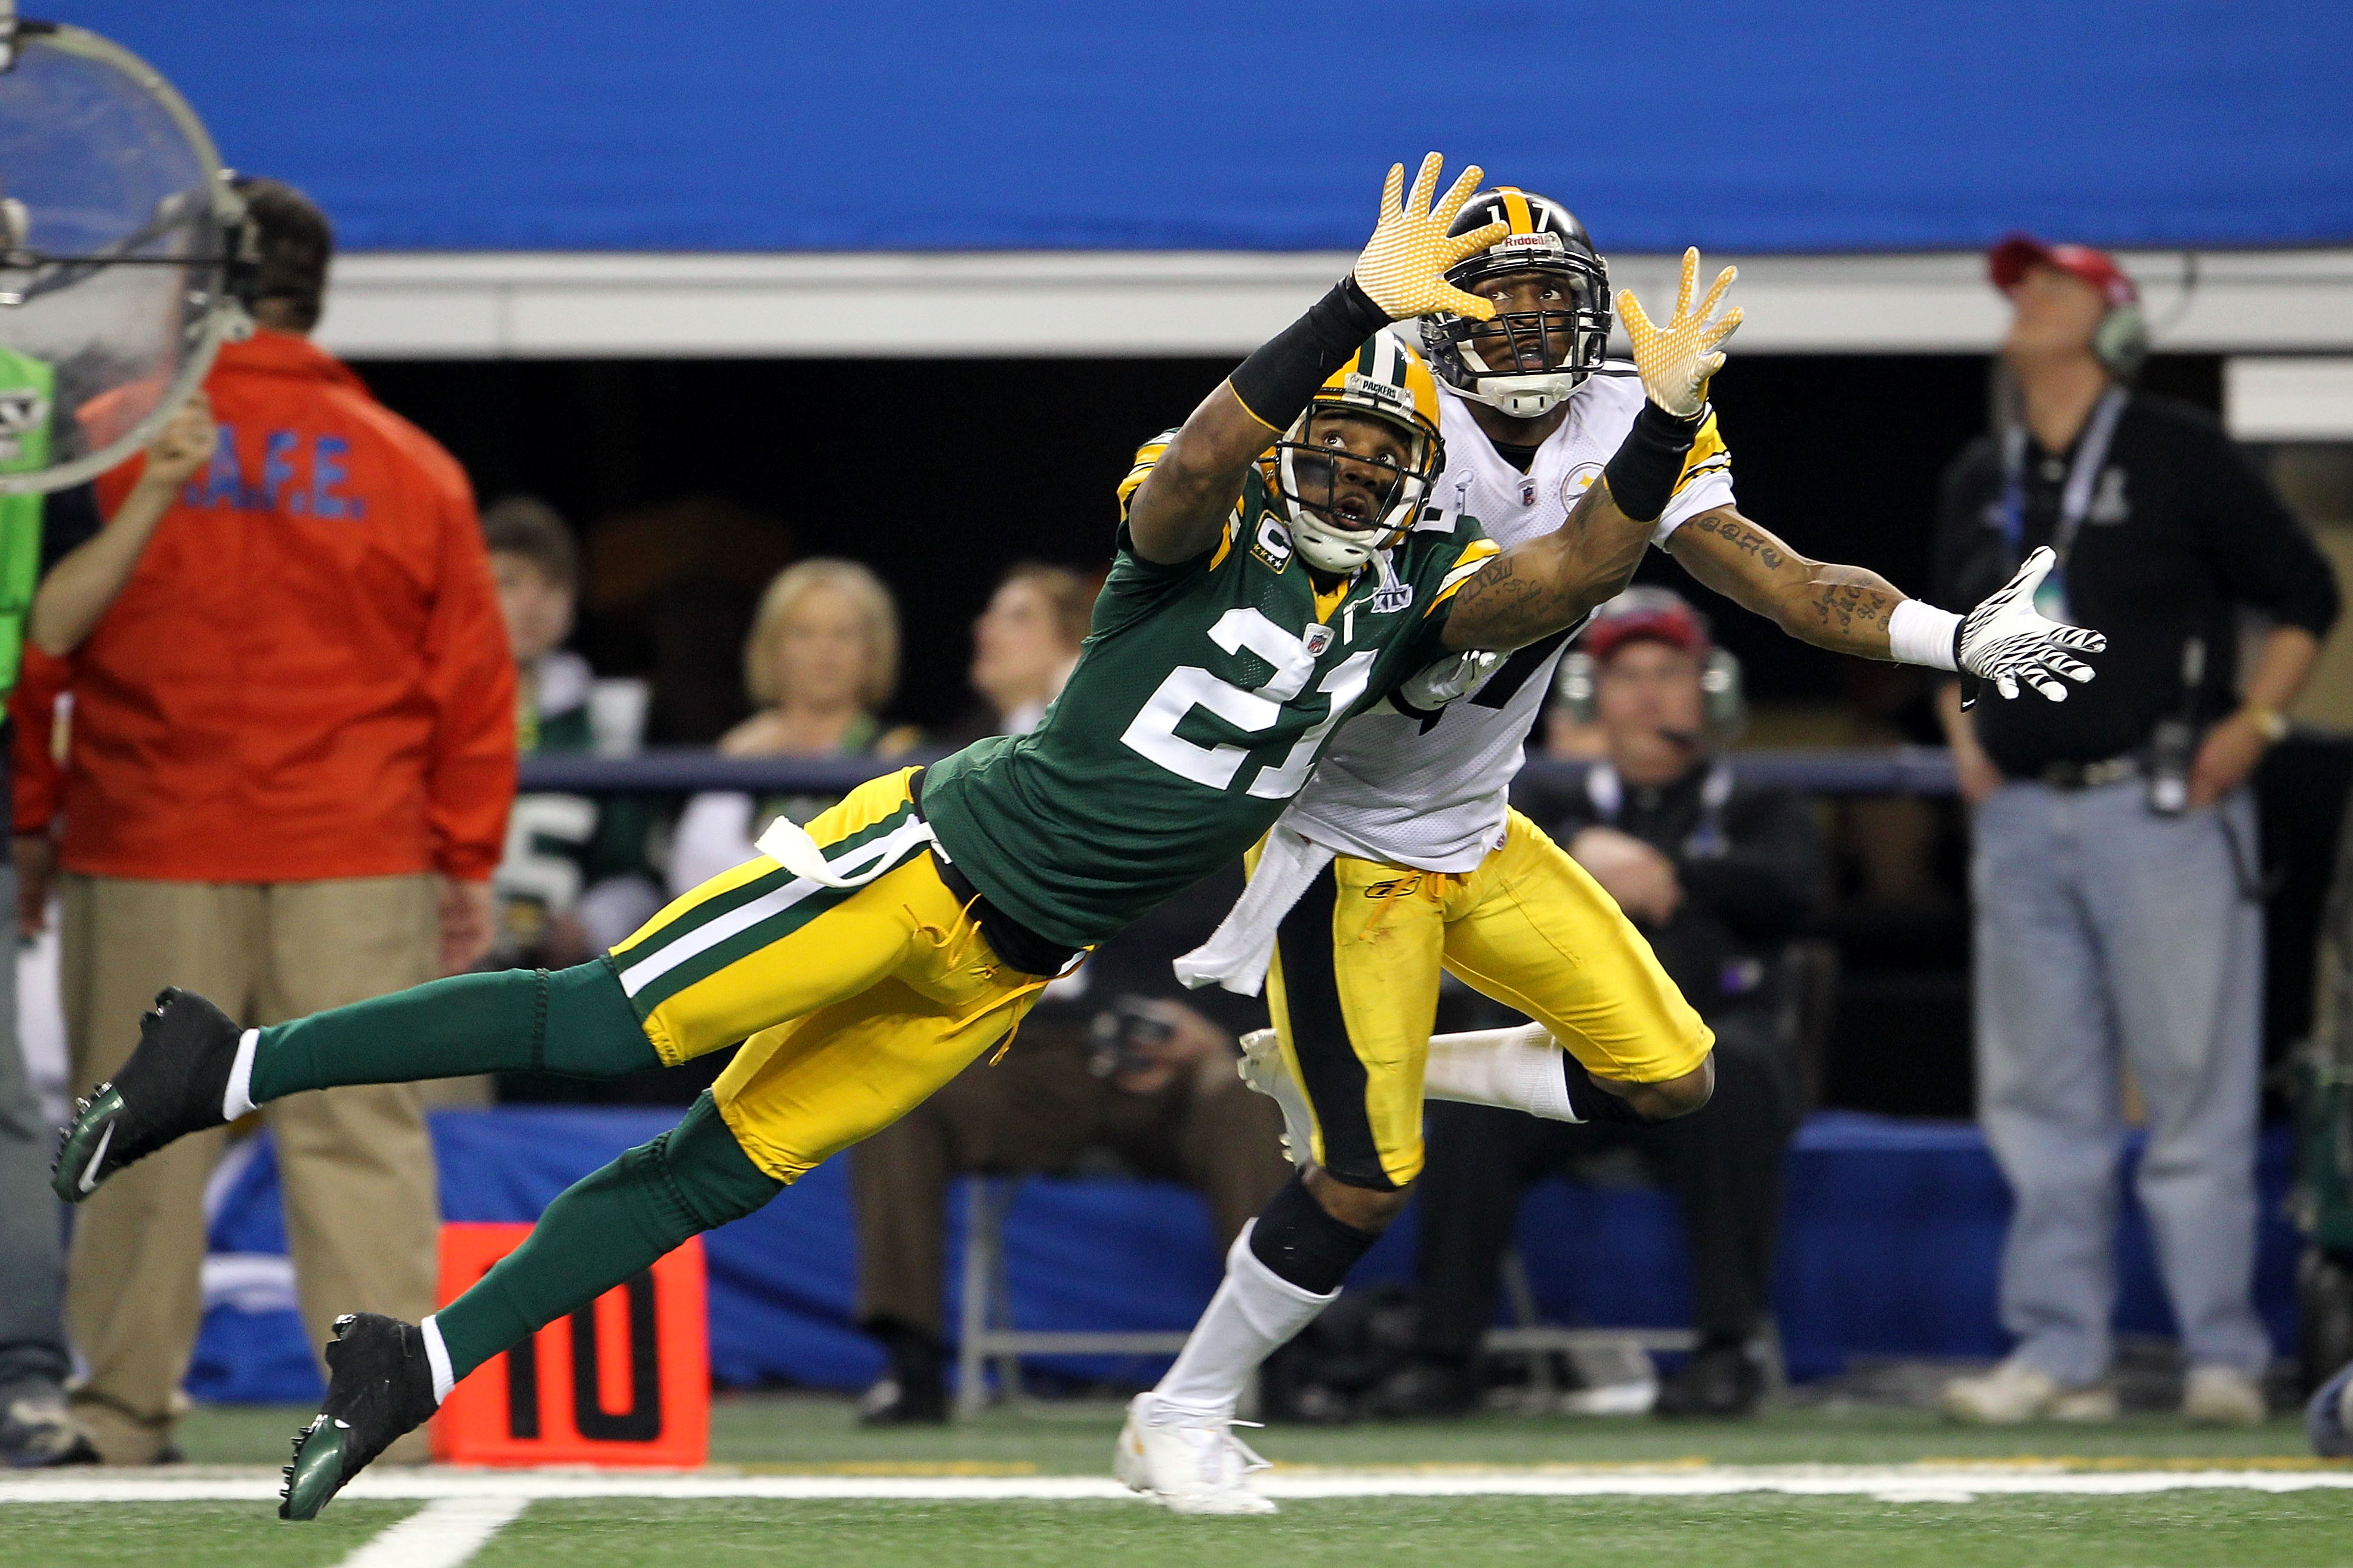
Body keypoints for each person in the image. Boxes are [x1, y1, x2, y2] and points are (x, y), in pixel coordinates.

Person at [50, 152, 1743, 1520]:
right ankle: (230, 1058)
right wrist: (1350, 310)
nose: (1362, 475)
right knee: (609, 1016)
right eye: (1338, 442)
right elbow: (1208, 443)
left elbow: (1571, 569)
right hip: (917, 867)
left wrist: (1660, 420)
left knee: (708, 1170)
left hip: (997, 977)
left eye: (1391, 459)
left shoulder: (1398, 621)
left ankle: (412, 1360)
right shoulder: (1186, 539)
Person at [1150, 190, 2105, 1508]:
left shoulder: (1625, 413)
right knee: (1367, 1183)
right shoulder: (1379, 412)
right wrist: (1651, 432)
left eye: (1558, 297)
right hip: (1341, 835)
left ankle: (1373, 1059)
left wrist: (1957, 639)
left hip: (1477, 828)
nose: (1539, 324)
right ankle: (1181, 1412)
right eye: (1506, 298)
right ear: (1442, 316)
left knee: (1671, 1079)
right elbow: (1553, 584)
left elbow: (1778, 578)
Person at [26, 177, 515, 1466]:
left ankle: (119, 1414)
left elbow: (37, 654)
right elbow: (471, 684)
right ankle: (385, 1428)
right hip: (353, 855)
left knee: (135, 1133)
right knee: (359, 1139)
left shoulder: (109, 441)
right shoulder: (416, 471)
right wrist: (464, 857)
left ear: (196, 284)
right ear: (317, 291)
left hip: (147, 842)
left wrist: (30, 826)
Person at [1932, 236, 2339, 1427]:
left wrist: (2255, 724)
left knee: (2192, 1089)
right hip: (2019, 821)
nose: (2020, 305)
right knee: (2036, 1097)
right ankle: (2061, 1354)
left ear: (2112, 323)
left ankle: (2219, 1350)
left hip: (2160, 805)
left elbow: (2309, 595)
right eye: (2018, 289)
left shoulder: (2179, 455)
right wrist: (1963, 742)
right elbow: (1942, 626)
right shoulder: (1978, 472)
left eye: (2047, 288)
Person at [1388, 590, 1824, 1419]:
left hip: (1705, 1059)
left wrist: (1668, 875)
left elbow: (1793, 889)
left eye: (1670, 673)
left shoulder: (1763, 802)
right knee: (1475, 1092)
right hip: (1569, 1057)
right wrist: (1592, 857)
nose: (1650, 695)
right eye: (1627, 677)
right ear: (1591, 698)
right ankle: (1444, 1353)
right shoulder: (1544, 804)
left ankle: (1728, 1353)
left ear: (1711, 690)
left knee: (1748, 1069)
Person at [847, 871, 1288, 1424]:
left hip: (1184, 1065)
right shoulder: (1022, 813)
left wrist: (1214, 1038)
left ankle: (1288, 1358)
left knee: (1243, 1096)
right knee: (902, 1100)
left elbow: (1271, 968)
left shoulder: (1231, 825)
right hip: (1034, 1059)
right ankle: (909, 1361)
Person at [0, 349, 110, 1466]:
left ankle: (24, 1377)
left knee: (2, 1104)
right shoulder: (34, 384)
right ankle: (23, 1382)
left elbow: (58, 623)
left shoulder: (30, 386)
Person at [665, 558, 921, 896]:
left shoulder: (899, 754)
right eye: (804, 633)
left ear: (873, 652)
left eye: (842, 634)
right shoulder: (744, 750)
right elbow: (692, 878)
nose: (824, 650)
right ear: (772, 650)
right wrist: (732, 762)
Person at [482, 496, 660, 972]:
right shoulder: (428, 711)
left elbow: (632, 870)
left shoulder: (608, 720)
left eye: (552, 585)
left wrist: (589, 928)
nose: (531, 604)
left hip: (559, 978)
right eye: (509, 583)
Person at [950, 562, 1092, 740]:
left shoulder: (1096, 742)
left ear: (1072, 641)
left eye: (1018, 617)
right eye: (991, 615)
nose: (984, 630)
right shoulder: (954, 748)